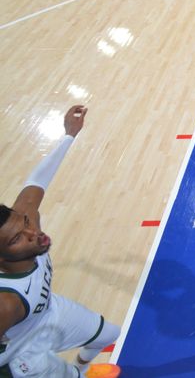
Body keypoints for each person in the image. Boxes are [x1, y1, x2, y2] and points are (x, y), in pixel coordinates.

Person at [0, 106, 122, 378]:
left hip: (47, 312)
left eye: (26, 224)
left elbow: (36, 180)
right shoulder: (6, 303)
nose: (34, 233)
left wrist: (69, 135)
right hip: (18, 354)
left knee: (110, 334)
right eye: (18, 239)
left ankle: (82, 367)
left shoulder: (26, 221)